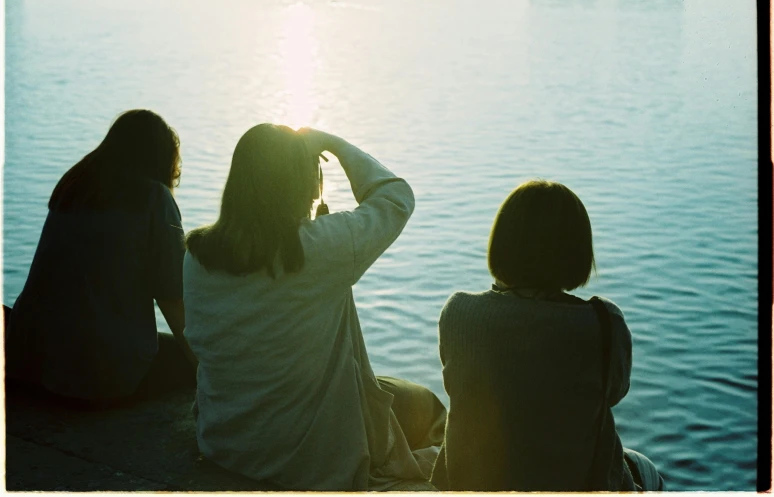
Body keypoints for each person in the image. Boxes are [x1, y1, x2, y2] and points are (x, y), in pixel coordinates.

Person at [183, 124, 446, 491]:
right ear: (305, 183)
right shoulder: (320, 250)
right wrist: (333, 144)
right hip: (307, 462)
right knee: (427, 406)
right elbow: (395, 197)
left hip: (227, 445)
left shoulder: (197, 256)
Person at [430, 179, 665, 491]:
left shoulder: (459, 312)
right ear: (578, 250)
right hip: (578, 485)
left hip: (471, 485)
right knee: (645, 468)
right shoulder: (604, 323)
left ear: (502, 242)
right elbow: (614, 393)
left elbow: (456, 383)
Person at [5, 109, 197, 407]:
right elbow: (172, 295)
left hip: (28, 361)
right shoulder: (153, 198)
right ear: (161, 159)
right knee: (190, 358)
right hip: (97, 375)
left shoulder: (74, 187)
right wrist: (203, 361)